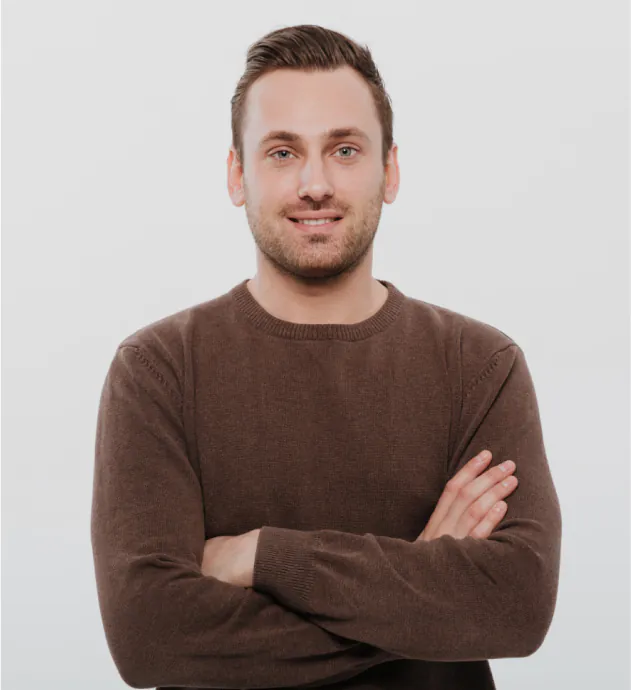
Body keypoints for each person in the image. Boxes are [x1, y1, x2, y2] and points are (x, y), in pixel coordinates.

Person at [91, 24, 562, 690]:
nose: (315, 184)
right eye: (282, 152)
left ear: (388, 171)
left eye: (344, 149)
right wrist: (420, 590)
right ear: (237, 175)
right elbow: (150, 638)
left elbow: (515, 606)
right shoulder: (158, 370)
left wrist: (264, 557)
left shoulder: (479, 366)